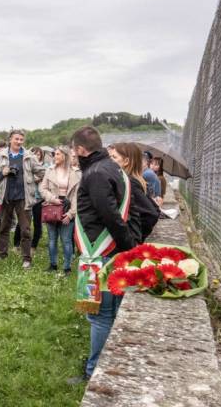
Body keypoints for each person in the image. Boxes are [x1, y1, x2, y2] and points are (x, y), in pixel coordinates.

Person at [69, 126, 136, 383]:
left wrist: (127, 245)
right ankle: (106, 366)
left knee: (100, 316)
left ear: (80, 150)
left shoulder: (95, 173)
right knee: (110, 314)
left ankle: (94, 372)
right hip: (111, 254)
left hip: (101, 255)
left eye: (73, 152)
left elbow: (109, 215)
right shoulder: (111, 167)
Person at [0, 130, 45, 268]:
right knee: (4, 227)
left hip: (23, 197)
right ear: (10, 139)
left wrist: (32, 179)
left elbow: (42, 171)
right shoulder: (0, 156)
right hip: (6, 196)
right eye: (16, 139)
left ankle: (26, 258)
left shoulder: (29, 156)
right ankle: (2, 254)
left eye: (21, 139)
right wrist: (3, 172)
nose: (19, 142)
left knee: (25, 229)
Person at [38, 146, 80, 274]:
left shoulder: (76, 173)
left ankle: (67, 268)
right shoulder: (50, 170)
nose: (54, 156)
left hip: (68, 207)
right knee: (52, 239)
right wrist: (52, 199)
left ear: (64, 156)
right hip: (53, 206)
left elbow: (78, 196)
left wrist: (71, 214)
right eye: (55, 154)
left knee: (66, 240)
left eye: (57, 154)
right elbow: (42, 188)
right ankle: (53, 265)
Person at [109, 143, 160, 243]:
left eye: (114, 157)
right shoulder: (130, 180)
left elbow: (151, 214)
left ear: (126, 161)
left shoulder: (129, 182)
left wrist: (135, 237)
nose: (109, 160)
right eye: (109, 156)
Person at [14, 147, 45, 249]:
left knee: (37, 223)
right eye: (34, 154)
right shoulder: (26, 166)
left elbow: (45, 179)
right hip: (26, 197)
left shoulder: (45, 167)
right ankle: (16, 243)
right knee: (22, 221)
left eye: (38, 154)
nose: (36, 156)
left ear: (41, 156)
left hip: (39, 199)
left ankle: (33, 246)